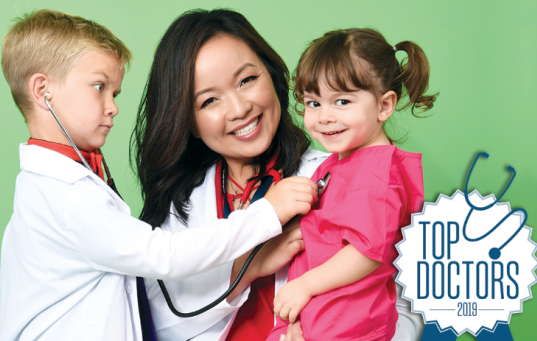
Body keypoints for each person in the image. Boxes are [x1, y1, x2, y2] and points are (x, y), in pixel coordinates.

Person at [0, 9, 318, 340]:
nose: (113, 107)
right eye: (99, 87)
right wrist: (262, 225)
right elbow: (163, 276)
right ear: (42, 90)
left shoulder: (331, 175)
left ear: (272, 74)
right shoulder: (69, 195)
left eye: (247, 80)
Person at [132, 10, 422, 341]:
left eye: (247, 80)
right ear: (189, 122)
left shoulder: (343, 175)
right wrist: (248, 267)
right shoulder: (181, 204)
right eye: (209, 100)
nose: (238, 108)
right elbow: (159, 325)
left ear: (273, 77)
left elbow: (400, 302)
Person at [265, 28, 437, 341]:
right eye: (313, 103)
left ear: (384, 106)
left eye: (342, 101)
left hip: (345, 326)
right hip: (322, 317)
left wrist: (303, 286)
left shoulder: (378, 175)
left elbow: (366, 253)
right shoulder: (340, 165)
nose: (324, 116)